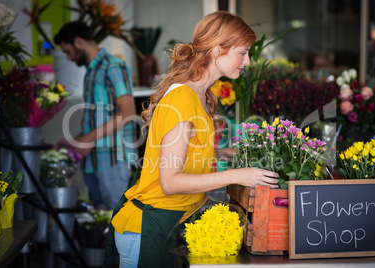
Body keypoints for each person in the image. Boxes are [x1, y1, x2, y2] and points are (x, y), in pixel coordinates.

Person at [110, 11, 279, 268]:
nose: (248, 61)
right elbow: (170, 181)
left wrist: (224, 154)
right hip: (150, 226)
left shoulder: (200, 95)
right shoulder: (183, 99)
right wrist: (239, 175)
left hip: (169, 222)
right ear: (216, 50)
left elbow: (185, 152)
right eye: (243, 52)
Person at [54, 21, 136, 210]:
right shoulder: (91, 72)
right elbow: (99, 117)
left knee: (116, 224)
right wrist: (76, 141)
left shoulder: (113, 66)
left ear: (79, 42)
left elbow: (128, 112)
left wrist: (88, 138)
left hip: (113, 159)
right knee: (99, 222)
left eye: (68, 51)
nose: (67, 58)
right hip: (92, 161)